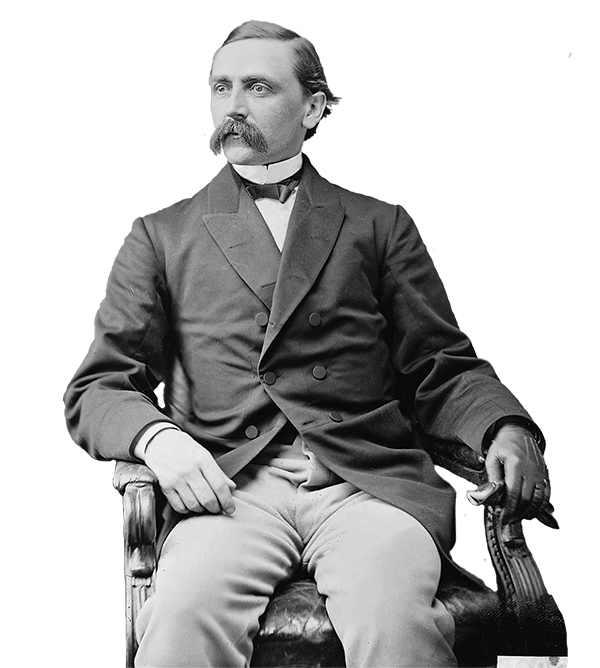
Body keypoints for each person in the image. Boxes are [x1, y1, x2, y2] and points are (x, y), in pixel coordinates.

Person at [64, 22, 554, 668]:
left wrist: (504, 428)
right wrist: (161, 440)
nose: (233, 106)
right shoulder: (162, 234)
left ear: (314, 107)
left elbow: (441, 364)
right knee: (180, 617)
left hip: (364, 482)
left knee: (394, 622)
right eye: (221, 88)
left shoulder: (378, 225)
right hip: (228, 489)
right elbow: (99, 386)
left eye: (258, 87)